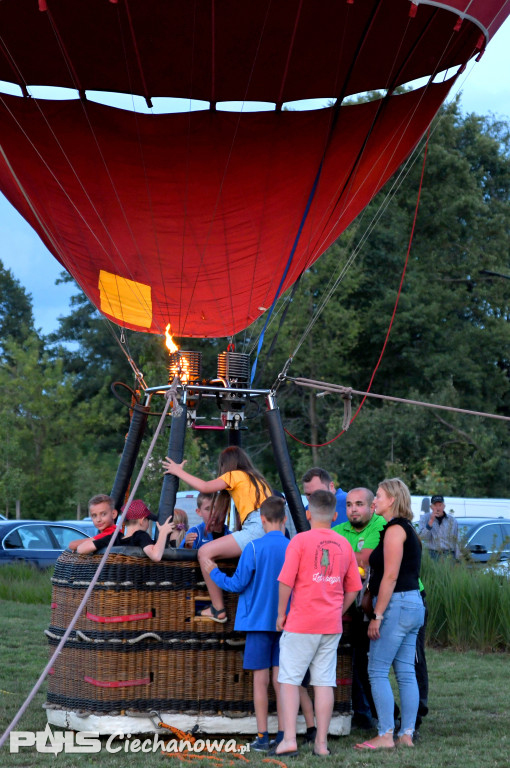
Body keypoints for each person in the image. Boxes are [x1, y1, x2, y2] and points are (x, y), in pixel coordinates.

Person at [275, 490, 362, 758]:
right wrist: (338, 610)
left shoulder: (299, 541)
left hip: (301, 622)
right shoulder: (345, 544)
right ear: (336, 516)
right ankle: (321, 745)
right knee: (324, 682)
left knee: (290, 680)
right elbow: (354, 589)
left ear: (308, 514)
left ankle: (289, 740)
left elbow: (286, 582)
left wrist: (281, 614)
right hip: (330, 625)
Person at [202, 496, 289, 751]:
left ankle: (262, 737)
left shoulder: (252, 548)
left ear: (261, 520)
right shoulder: (294, 547)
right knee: (281, 681)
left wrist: (213, 570)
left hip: (258, 625)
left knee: (260, 682)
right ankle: (284, 736)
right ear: (284, 520)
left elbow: (236, 584)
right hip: (287, 625)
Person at [163, 446, 271, 623]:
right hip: (268, 528)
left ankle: (218, 608)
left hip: (255, 528)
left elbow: (206, 487)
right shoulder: (259, 480)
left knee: (204, 552)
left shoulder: (234, 475)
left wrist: (178, 472)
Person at [355, 478, 425, 751]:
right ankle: (406, 733)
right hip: (413, 604)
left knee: (377, 670)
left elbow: (391, 575)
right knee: (406, 672)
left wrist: (378, 615)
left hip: (397, 605)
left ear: (392, 500)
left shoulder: (395, 530)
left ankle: (385, 734)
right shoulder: (405, 529)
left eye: (379, 496)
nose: (374, 501)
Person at [333, 487, 385, 729]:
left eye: (359, 504)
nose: (353, 509)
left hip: (373, 604)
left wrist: (342, 554)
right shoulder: (338, 530)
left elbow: (366, 558)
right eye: (349, 505)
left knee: (371, 665)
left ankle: (390, 715)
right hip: (347, 604)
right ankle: (362, 714)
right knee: (351, 661)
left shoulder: (378, 525)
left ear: (371, 507)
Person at [92, 499, 175, 561]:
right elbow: (156, 556)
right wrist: (163, 533)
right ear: (142, 520)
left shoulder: (115, 539)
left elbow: (82, 549)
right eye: (148, 520)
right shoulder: (140, 535)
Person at [418, 494, 460, 559]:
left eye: (440, 505)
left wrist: (458, 558)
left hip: (448, 554)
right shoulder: (424, 518)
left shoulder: (452, 520)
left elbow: (457, 540)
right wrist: (431, 521)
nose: (438, 508)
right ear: (431, 507)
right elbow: (423, 538)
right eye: (435, 505)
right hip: (432, 554)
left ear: (444, 506)